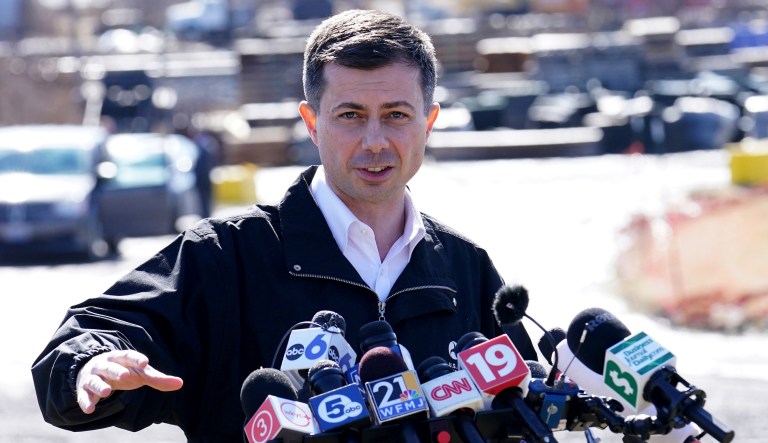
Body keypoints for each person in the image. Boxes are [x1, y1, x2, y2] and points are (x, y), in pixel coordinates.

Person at [32, 9, 536, 442]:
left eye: (396, 115)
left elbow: (525, 405)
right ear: (312, 122)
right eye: (352, 115)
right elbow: (93, 336)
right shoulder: (226, 257)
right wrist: (92, 364)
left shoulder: (465, 268)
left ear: (428, 122)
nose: (376, 141)